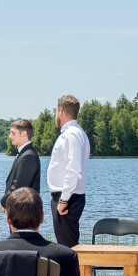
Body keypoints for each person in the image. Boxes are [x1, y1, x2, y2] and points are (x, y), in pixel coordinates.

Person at [47, 95, 90, 248]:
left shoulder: (72, 134)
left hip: (67, 198)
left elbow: (73, 168)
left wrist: (64, 200)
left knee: (68, 249)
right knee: (67, 247)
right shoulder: (75, 132)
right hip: (68, 196)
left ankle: (73, 273)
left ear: (60, 111)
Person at [0, 119, 41, 213]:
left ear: (24, 134)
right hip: (18, 208)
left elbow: (19, 186)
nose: (9, 136)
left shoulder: (28, 156)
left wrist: (4, 202)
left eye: (13, 133)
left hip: (24, 211)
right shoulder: (23, 154)